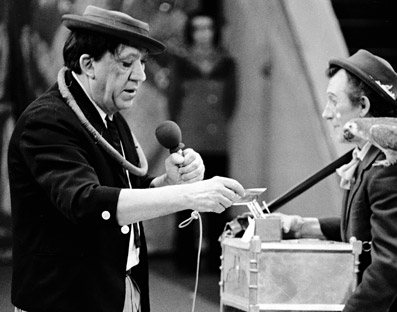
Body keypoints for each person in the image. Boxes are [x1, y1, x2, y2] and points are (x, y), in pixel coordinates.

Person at [7, 5, 245, 312]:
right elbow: (87, 202)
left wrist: (165, 182)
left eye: (143, 63)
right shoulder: (48, 122)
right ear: (88, 64)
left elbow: (123, 191)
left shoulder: (106, 112)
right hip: (66, 297)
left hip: (116, 286)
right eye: (127, 63)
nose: (141, 76)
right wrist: (188, 194)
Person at [272, 50, 397, 312]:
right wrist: (303, 227)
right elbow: (371, 227)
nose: (327, 113)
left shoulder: (395, 166)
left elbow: (389, 266)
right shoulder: (371, 154)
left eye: (333, 101)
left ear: (363, 106)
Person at [165, 11, 238, 273]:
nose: (203, 34)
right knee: (185, 199)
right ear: (190, 32)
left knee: (220, 201)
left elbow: (231, 102)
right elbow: (173, 100)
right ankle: (184, 260)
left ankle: (218, 259)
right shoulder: (181, 61)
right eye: (197, 29)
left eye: (208, 28)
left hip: (217, 140)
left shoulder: (227, 62)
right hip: (190, 139)